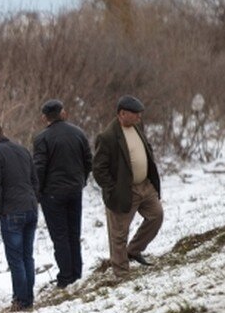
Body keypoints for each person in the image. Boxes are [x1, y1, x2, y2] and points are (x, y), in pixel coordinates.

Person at [92, 95, 163, 278]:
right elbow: (99, 169)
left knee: (156, 216)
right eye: (135, 114)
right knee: (118, 235)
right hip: (124, 191)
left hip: (145, 186)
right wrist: (113, 189)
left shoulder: (138, 127)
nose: (139, 117)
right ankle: (122, 273)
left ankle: (134, 250)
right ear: (122, 114)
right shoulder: (107, 136)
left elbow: (146, 149)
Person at [32, 99, 92, 288]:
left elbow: (39, 168)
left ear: (44, 117)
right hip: (75, 190)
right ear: (63, 113)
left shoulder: (42, 138)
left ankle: (66, 277)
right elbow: (88, 161)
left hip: (53, 194)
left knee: (60, 236)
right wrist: (82, 181)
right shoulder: (78, 133)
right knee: (74, 233)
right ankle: (77, 272)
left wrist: (37, 192)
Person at [0, 123, 38, 310]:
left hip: (12, 211)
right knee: (27, 256)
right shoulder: (22, 150)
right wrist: (34, 201)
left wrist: (0, 210)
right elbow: (34, 180)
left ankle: (21, 301)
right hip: (30, 208)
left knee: (16, 259)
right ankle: (28, 298)